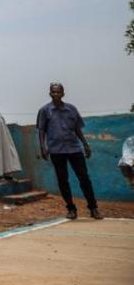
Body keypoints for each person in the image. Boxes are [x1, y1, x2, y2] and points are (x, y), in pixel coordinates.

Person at [36, 83, 103, 220]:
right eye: (53, 92)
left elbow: (77, 129)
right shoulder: (44, 110)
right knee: (62, 180)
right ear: (50, 93)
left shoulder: (71, 109)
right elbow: (41, 130)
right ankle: (71, 209)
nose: (56, 94)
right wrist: (43, 147)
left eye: (58, 92)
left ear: (63, 93)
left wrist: (85, 144)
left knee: (84, 178)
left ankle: (93, 208)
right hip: (56, 150)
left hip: (74, 148)